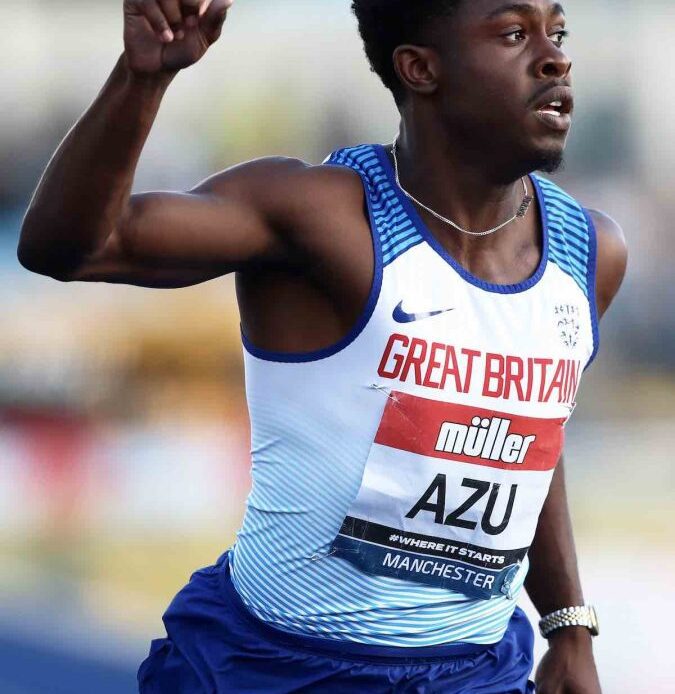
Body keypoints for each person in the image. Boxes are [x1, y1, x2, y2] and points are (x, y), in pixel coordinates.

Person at [18, 0, 628, 691]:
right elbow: (71, 248)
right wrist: (142, 78)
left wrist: (567, 624)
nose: (554, 57)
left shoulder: (589, 252)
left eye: (558, 31)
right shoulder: (319, 218)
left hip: (474, 671)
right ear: (420, 68)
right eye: (515, 34)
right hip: (268, 666)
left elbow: (528, 440)